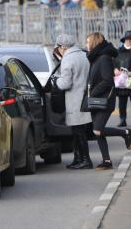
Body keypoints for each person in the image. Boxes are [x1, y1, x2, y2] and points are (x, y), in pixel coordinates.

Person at [84, 32, 131, 170]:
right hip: (96, 100)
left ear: (94, 42)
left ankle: (125, 133)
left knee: (97, 130)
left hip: (103, 100)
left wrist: (92, 92)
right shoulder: (95, 58)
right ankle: (106, 160)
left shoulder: (104, 58)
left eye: (88, 42)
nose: (86, 45)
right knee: (97, 131)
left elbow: (107, 81)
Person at [55, 34, 93, 169]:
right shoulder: (83, 55)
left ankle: (85, 160)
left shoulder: (67, 59)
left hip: (74, 100)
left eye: (58, 47)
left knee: (78, 132)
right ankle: (78, 159)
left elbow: (65, 83)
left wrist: (56, 80)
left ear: (62, 47)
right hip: (85, 97)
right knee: (80, 131)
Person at [114, 31, 131, 127]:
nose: (130, 41)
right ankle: (122, 119)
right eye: (128, 39)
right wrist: (115, 69)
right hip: (121, 79)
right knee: (122, 102)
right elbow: (114, 62)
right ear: (125, 40)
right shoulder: (118, 51)